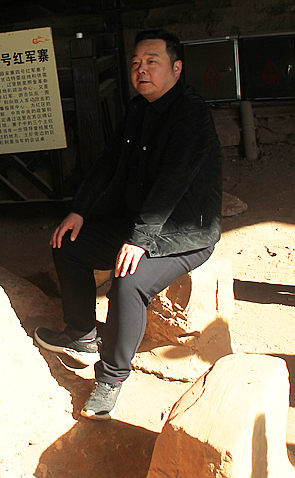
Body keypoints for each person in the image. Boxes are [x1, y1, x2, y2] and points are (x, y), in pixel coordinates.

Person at [34, 29, 222, 420]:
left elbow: (174, 181)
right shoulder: (138, 111)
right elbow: (107, 162)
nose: (141, 70)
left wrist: (140, 239)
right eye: (136, 63)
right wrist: (80, 210)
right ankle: (82, 335)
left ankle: (111, 377)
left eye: (152, 61)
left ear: (176, 67)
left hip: (183, 233)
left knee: (129, 281)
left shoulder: (191, 113)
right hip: (137, 223)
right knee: (67, 243)